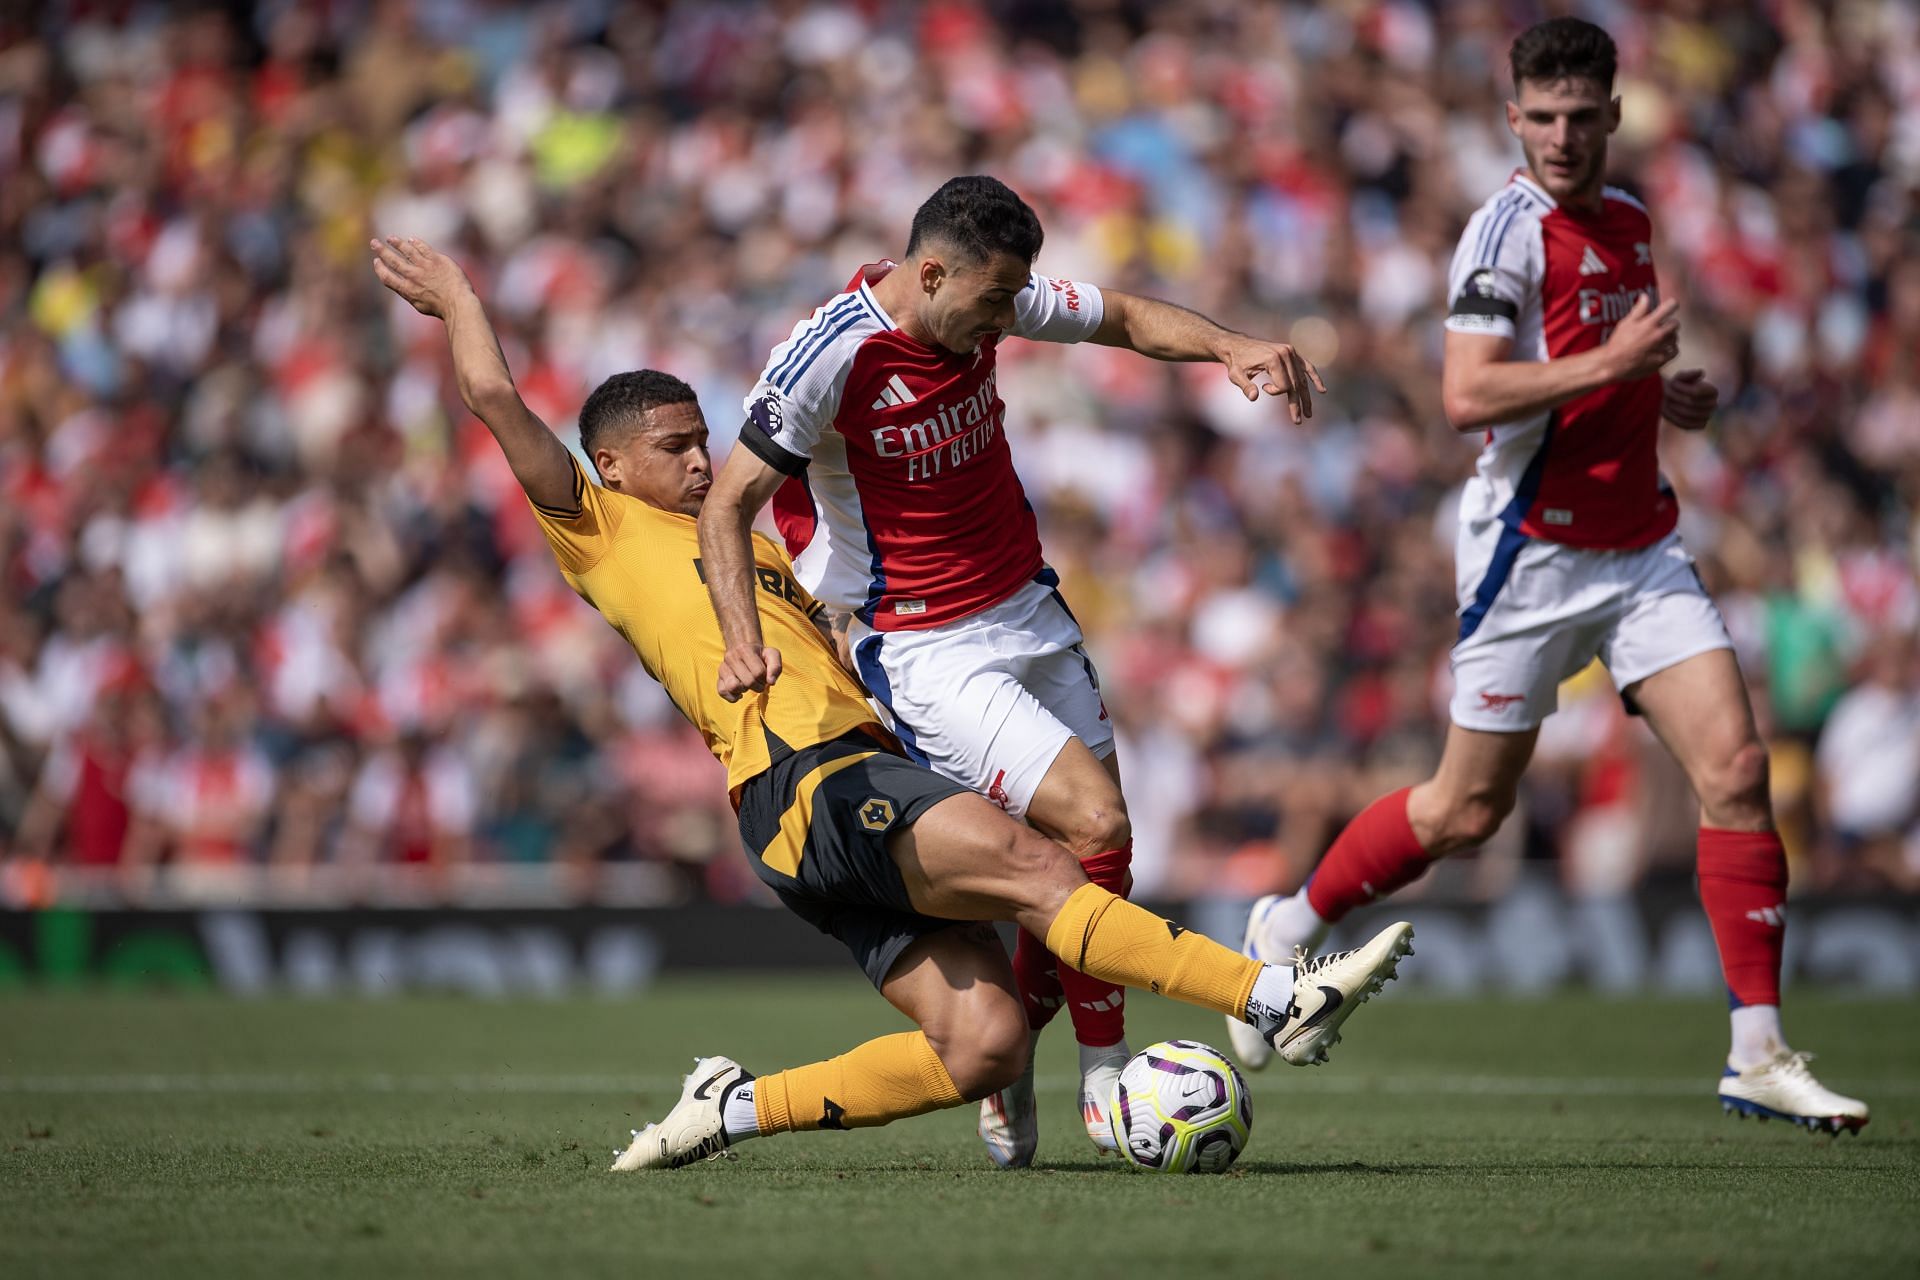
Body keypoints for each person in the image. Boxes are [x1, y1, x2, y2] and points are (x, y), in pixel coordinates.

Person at [367, 233, 1414, 1173]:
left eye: (703, 441)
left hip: (819, 797)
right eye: (675, 447)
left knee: (986, 1042)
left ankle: (732, 1107)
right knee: (1040, 863)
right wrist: (462, 299)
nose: (701, 461)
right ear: (610, 465)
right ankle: (1274, 993)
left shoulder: (761, 547)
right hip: (803, 778)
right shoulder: (593, 525)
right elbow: (498, 403)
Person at [1226, 17, 1868, 1135]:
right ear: (1511, 119)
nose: (1564, 137)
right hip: (1533, 549)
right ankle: (1287, 921)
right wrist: (1620, 363)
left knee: (1739, 766)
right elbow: (1469, 394)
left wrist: (1655, 393)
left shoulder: (1629, 221)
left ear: (1615, 116)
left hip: (1642, 543)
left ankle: (1757, 1049)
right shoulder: (1502, 234)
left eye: (1584, 116)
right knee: (1465, 809)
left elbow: (1592, 352)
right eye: (1544, 118)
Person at [697, 175, 1325, 1166]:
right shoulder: (828, 356)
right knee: (1095, 821)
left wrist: (1230, 344)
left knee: (1103, 851)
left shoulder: (991, 299)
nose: (1003, 322)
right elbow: (726, 502)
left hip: (1028, 602)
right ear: (933, 271)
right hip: (922, 643)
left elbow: (1121, 315)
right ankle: (1104, 1073)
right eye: (991, 303)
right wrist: (741, 634)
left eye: (1011, 303)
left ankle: (1024, 1059)